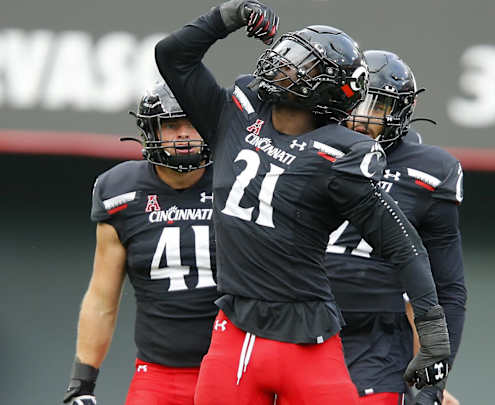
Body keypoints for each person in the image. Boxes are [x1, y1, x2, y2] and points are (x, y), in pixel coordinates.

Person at [154, 1, 451, 404]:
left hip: (308, 339)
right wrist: (227, 16)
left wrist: (432, 331)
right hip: (236, 330)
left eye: (303, 64)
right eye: (290, 53)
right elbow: (171, 55)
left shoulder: (340, 153)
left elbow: (402, 243)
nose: (284, 63)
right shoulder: (237, 112)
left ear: (329, 89)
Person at [62, 82, 218, 405]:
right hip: (158, 373)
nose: (184, 134)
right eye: (172, 125)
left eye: (193, 123)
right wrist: (82, 383)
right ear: (151, 131)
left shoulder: (238, 181)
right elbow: (102, 297)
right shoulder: (120, 191)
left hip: (232, 370)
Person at [325, 50, 466, 405]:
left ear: (400, 111)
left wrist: (434, 382)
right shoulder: (311, 146)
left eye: (377, 106)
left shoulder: (430, 170)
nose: (361, 116)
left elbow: (448, 287)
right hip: (301, 321)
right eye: (356, 101)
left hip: (378, 338)